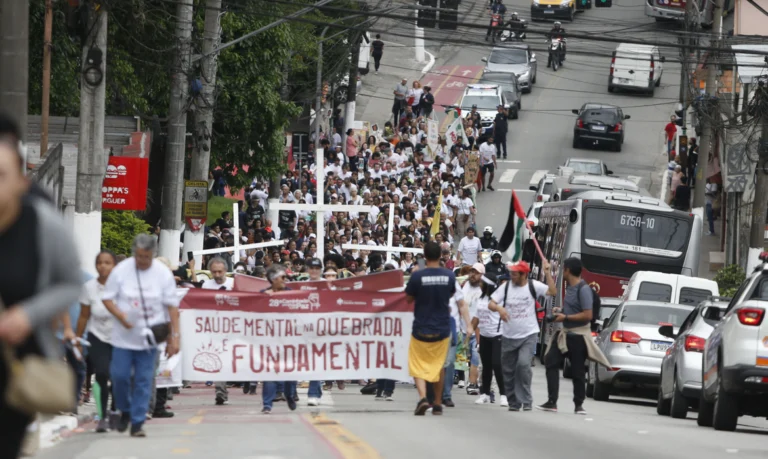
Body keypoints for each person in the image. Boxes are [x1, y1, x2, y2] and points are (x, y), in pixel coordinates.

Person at [0, 114, 82, 458]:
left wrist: (28, 315)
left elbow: (71, 282)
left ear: (21, 179)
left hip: (14, 371)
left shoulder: (42, 224)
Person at [102, 233, 181, 437]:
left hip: (150, 338)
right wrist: (120, 316)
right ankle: (125, 410)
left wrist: (174, 337)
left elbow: (172, 307)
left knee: (144, 380)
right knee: (119, 377)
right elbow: (107, 299)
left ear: (153, 254)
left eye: (146, 257)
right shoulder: (121, 271)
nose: (142, 261)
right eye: (139, 256)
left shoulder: (162, 274)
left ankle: (137, 422)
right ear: (133, 254)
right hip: (124, 337)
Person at [405, 242, 473, 416]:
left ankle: (422, 398)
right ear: (440, 256)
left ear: (424, 256)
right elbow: (451, 295)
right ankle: (437, 402)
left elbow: (408, 299)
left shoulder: (417, 276)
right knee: (440, 366)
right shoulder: (449, 276)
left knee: (417, 364)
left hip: (421, 328)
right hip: (442, 329)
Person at [538, 258, 610, 415]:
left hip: (578, 336)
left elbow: (588, 314)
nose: (563, 271)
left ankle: (579, 404)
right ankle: (552, 401)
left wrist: (566, 317)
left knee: (577, 371)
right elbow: (573, 308)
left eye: (564, 269)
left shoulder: (583, 289)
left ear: (568, 270)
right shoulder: (570, 287)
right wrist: (561, 310)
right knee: (551, 361)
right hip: (565, 334)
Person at [488, 260, 556, 411]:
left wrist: (547, 273)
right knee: (508, 370)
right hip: (508, 335)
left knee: (523, 364)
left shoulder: (533, 285)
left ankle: (526, 399)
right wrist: (499, 308)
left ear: (524, 274)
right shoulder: (505, 287)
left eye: (514, 273)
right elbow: (491, 303)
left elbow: (552, 291)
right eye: (511, 273)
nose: (511, 276)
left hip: (528, 334)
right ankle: (514, 402)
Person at [75, 250, 119, 432]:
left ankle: (116, 412)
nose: (103, 266)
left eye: (108, 262)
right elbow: (84, 316)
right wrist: (78, 338)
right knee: (101, 374)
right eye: (100, 262)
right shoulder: (89, 287)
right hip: (97, 337)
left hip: (119, 337)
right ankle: (102, 417)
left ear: (114, 266)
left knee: (118, 376)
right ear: (96, 266)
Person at [260, 265, 298, 414]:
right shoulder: (262, 295)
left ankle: (289, 395)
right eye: (282, 277)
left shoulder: (291, 293)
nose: (285, 280)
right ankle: (267, 404)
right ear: (273, 279)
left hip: (289, 339)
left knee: (289, 373)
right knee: (270, 372)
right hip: (270, 340)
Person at [200, 257, 236, 404]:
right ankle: (220, 391)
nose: (217, 275)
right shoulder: (206, 285)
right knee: (220, 357)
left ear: (225, 271)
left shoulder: (233, 284)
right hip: (214, 328)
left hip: (233, 326)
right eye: (214, 272)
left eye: (219, 271)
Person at [472, 273, 506, 405]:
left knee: (497, 365)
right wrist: (470, 331)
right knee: (486, 367)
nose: (479, 285)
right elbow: (476, 318)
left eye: (481, 283)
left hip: (498, 335)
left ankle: (504, 395)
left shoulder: (499, 299)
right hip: (485, 335)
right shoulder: (480, 299)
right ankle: (484, 393)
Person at [460, 263, 485, 395]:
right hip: (462, 328)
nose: (472, 275)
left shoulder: (484, 289)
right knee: (460, 358)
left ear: (481, 275)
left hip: (477, 330)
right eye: (471, 272)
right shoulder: (464, 286)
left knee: (475, 357)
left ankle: (472, 384)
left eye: (476, 273)